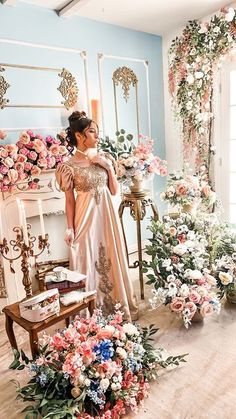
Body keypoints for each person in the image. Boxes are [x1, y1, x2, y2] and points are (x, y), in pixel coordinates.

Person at [56, 111, 138, 320]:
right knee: (86, 257)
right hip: (85, 218)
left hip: (107, 217)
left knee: (110, 254)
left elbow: (114, 190)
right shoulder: (68, 167)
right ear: (79, 136)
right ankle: (89, 313)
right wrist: (69, 227)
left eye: (97, 132)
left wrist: (108, 167)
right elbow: (69, 200)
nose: (97, 136)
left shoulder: (104, 159)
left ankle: (117, 307)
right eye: (92, 132)